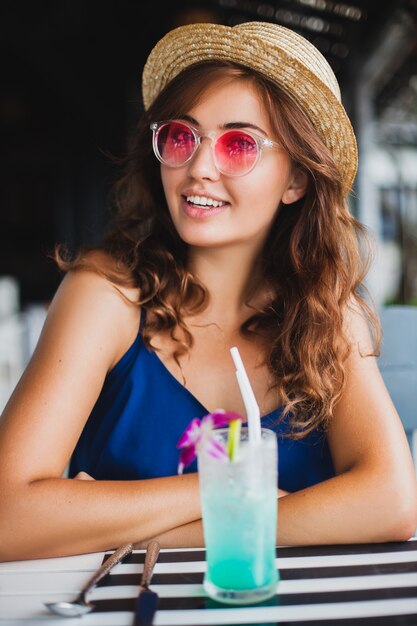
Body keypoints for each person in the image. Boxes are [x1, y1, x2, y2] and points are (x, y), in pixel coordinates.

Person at [0, 21, 416, 562]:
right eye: (182, 136)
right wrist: (231, 488)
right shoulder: (105, 296)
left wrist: (136, 526)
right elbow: (8, 516)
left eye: (239, 144)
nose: (198, 167)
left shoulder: (327, 312)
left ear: (296, 181)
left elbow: (391, 503)